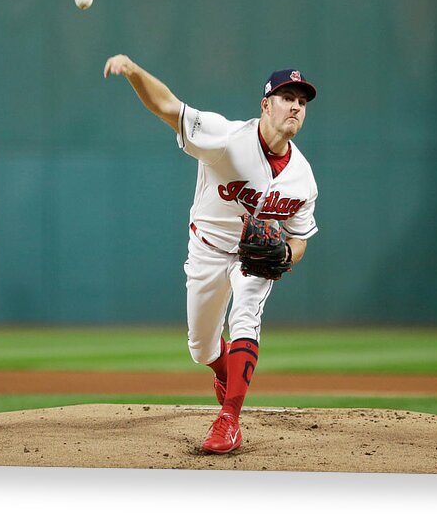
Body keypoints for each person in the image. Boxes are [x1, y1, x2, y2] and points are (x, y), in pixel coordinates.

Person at [103, 55, 319, 454]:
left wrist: (286, 256)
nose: (295, 107)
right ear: (265, 104)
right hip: (207, 249)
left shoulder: (303, 178)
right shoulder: (226, 137)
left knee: (245, 316)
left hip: (253, 262)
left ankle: (229, 421)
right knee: (201, 347)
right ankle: (222, 369)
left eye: (302, 102)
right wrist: (133, 71)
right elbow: (169, 106)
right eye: (286, 97)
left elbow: (300, 238)